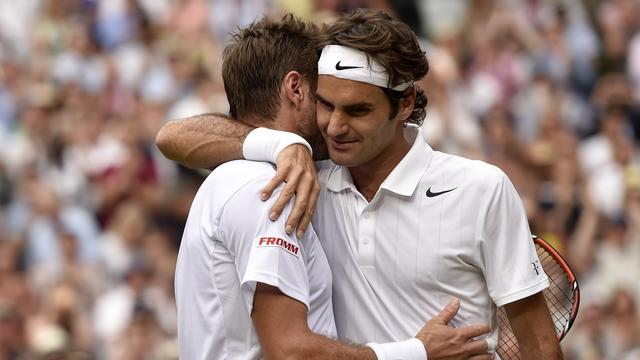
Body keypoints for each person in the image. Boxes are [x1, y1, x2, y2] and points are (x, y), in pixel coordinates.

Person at [173, 14, 492, 360]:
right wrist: (418, 352)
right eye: (324, 98)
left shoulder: (226, 177)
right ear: (296, 89)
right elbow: (291, 352)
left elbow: (171, 135)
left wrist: (280, 145)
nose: (334, 121)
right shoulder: (273, 188)